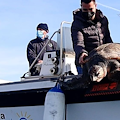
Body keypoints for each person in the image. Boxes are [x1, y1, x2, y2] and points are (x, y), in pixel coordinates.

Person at [71, 0, 113, 74]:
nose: (88, 12)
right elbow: (78, 42)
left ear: (95, 6)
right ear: (81, 7)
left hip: (103, 60)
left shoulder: (103, 20)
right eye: (85, 10)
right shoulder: (77, 24)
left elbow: (107, 39)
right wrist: (82, 53)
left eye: (91, 9)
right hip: (86, 62)